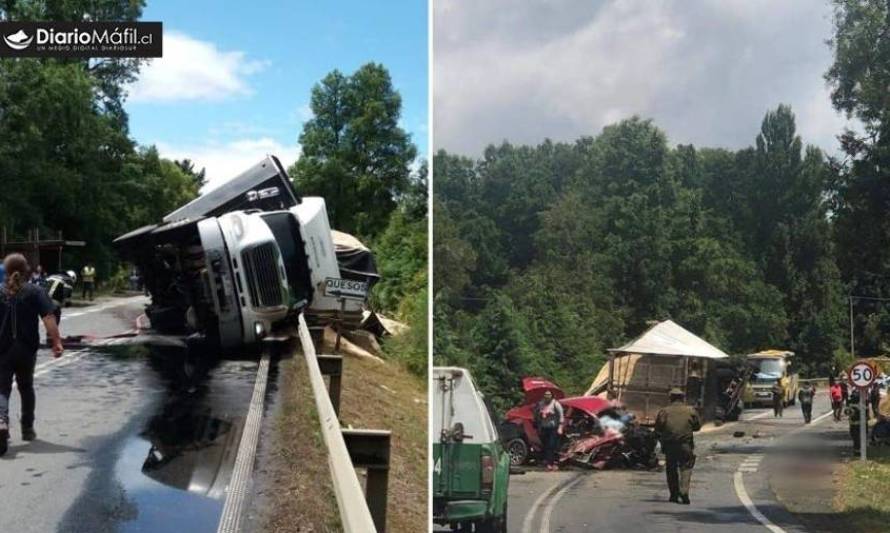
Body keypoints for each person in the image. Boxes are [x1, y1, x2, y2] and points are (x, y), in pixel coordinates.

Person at [0, 254, 64, 455]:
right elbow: (48, 317)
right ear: (27, 269)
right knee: (26, 387)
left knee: (2, 389)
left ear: (6, 270)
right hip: (27, 350)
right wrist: (56, 342)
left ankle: (1, 421)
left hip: (2, 350)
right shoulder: (36, 291)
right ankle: (27, 429)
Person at [654, 388, 701, 505]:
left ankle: (674, 494)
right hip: (685, 445)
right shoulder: (690, 411)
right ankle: (684, 491)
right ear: (682, 398)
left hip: (670, 446)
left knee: (671, 469)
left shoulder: (664, 411)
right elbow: (697, 427)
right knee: (686, 467)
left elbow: (658, 428)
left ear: (670, 398)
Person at [534, 389, 564, 471]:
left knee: (552, 445)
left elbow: (561, 415)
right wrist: (541, 413)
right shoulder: (541, 403)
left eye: (549, 395)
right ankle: (548, 462)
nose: (547, 396)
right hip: (544, 427)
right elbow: (537, 414)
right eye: (546, 395)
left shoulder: (555, 404)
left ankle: (553, 463)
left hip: (553, 427)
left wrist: (560, 427)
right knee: (545, 445)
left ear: (552, 396)